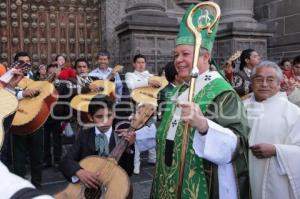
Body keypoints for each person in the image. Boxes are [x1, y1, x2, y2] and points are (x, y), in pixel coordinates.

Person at [151, 5, 249, 199]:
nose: (178, 60)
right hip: (168, 175)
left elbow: (237, 144)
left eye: (185, 54)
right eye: (176, 55)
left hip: (202, 180)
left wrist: (204, 126)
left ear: (205, 57)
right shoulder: (181, 88)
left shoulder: (223, 92)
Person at [59, 94, 135, 197]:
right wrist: (78, 172)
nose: (105, 121)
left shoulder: (122, 138)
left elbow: (128, 171)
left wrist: (128, 148)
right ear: (91, 117)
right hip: (89, 192)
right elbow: (66, 161)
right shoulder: (84, 135)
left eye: (109, 115)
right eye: (99, 117)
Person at [244, 61, 300, 199]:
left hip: (276, 184)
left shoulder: (293, 113)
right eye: (259, 79)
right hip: (241, 179)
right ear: (251, 82)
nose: (264, 84)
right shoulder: (239, 107)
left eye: (270, 80)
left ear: (279, 83)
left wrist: (276, 150)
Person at [125, 54, 159, 174]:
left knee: (152, 134)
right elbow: (131, 86)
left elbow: (159, 88)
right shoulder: (130, 75)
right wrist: (149, 82)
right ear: (134, 64)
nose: (141, 64)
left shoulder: (151, 75)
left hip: (151, 108)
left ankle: (153, 159)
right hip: (137, 109)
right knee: (137, 136)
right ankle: (136, 165)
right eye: (138, 62)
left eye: (143, 62)